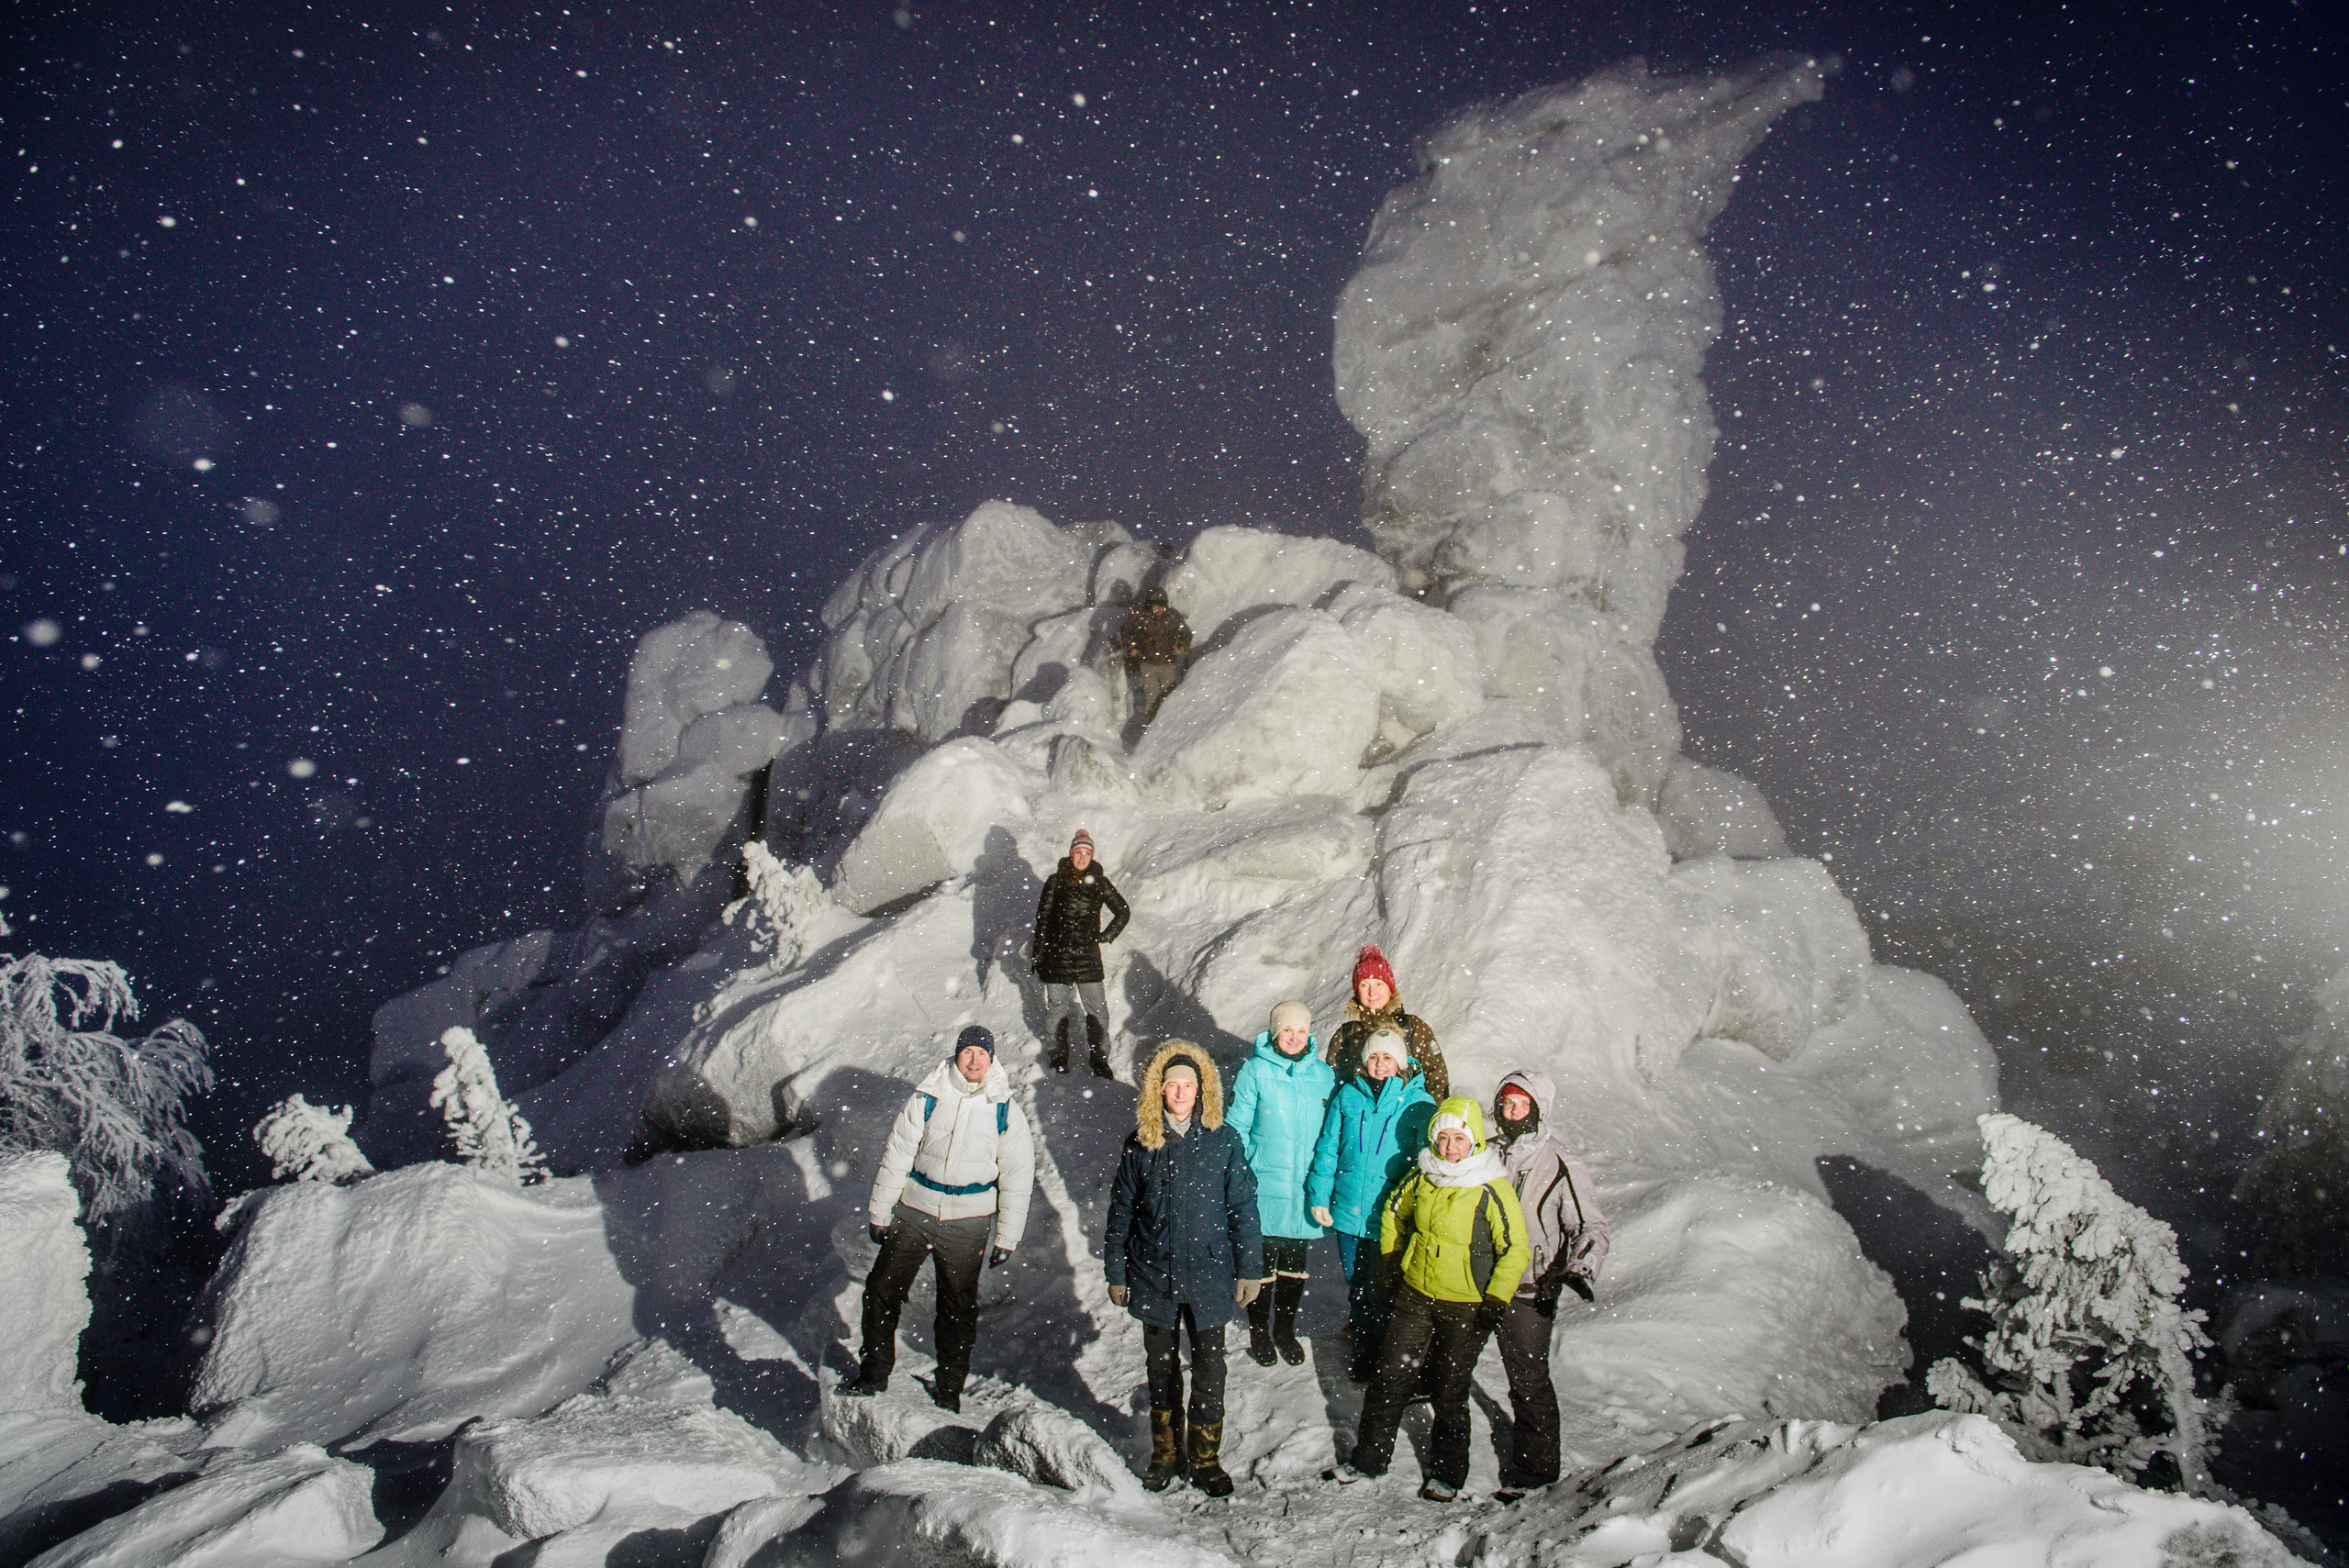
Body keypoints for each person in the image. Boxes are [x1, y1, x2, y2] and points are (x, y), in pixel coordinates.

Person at [1332, 1097, 1530, 1502]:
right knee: (1389, 1377)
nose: (1450, 1146)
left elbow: (1515, 1248)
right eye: (1442, 1136)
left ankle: (1448, 1474)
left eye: (1459, 1137)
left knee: (1448, 1389)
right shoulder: (1423, 1176)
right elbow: (1395, 1213)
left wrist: (1496, 1297)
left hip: (1466, 1304)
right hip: (1417, 1295)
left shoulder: (1491, 1186)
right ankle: (1369, 1460)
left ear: (1473, 1139)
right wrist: (1390, 1258)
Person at [1102, 1041, 1266, 1497]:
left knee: (1211, 1370)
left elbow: (1243, 1208)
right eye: (1172, 1084)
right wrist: (1116, 1271)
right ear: (1160, 1089)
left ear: (1201, 1091)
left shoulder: (1223, 1139)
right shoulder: (1141, 1143)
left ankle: (1205, 1459)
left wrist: (1249, 1267)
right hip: (1153, 1274)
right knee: (1162, 1369)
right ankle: (1165, 1455)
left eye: (1188, 1085)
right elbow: (1121, 1212)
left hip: (1210, 1275)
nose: (1180, 1092)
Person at [844, 1024, 1035, 1414]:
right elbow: (897, 1154)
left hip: (969, 1221)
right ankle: (874, 1373)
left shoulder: (1004, 1108)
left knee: (958, 1307)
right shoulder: (929, 1096)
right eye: (968, 1052)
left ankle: (949, 1388)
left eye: (982, 1054)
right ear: (956, 1054)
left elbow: (1018, 1173)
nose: (974, 1060)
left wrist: (1008, 1236)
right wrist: (880, 1211)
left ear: (992, 1059)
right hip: (915, 1210)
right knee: (881, 1290)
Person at [1486, 1070, 1610, 1499]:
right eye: (1507, 1102)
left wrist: (1580, 1267)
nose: (1512, 1111)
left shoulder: (1560, 1163)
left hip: (1528, 1288)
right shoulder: (1485, 1154)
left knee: (1528, 1380)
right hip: (1478, 1283)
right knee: (1450, 1368)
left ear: (1538, 1110)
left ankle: (1535, 1475)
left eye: (1522, 1104)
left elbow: (1591, 1226)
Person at [1306, 1027, 1436, 1382]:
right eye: (1374, 1057)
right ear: (1365, 1061)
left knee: (1387, 1290)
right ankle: (1364, 1354)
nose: (1380, 1064)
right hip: (1348, 1214)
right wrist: (1319, 1194)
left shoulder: (1418, 1103)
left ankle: (1389, 1358)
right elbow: (1328, 1146)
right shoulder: (1348, 1096)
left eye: (1387, 1057)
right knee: (1358, 1288)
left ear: (1401, 1062)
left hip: (1390, 1216)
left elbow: (1425, 1164)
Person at [1225, 999, 1337, 1366]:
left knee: (1295, 1264)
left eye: (1301, 1030)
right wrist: (1238, 1175)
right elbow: (1237, 1127)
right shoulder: (1254, 1071)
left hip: (1303, 1188)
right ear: (1274, 1033)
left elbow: (1332, 1133)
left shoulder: (1323, 1075)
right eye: (1287, 1030)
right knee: (1261, 1265)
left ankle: (1284, 1330)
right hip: (1263, 1185)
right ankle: (1259, 1331)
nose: (1294, 1037)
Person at [1031, 828, 1129, 1078]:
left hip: (1088, 959)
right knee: (1056, 1009)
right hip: (1057, 957)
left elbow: (1123, 911)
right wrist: (1039, 953)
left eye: (1087, 853)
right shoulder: (1055, 881)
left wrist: (1106, 936)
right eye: (1078, 852)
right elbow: (1042, 919)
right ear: (1071, 854)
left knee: (1098, 1011)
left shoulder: (1099, 881)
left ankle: (1099, 1060)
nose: (1082, 857)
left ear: (1092, 856)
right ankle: (1058, 1056)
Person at [1324, 944, 1449, 1102]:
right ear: (1356, 991)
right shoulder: (1346, 1035)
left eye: (1379, 984)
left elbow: (1437, 1080)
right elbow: (1333, 1086)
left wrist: (1430, 1117)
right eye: (1364, 985)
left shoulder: (1413, 1028)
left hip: (1408, 1121)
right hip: (1362, 1123)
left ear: (1390, 989)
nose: (1372, 992)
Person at [1118, 584, 1192, 723]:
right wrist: (1132, 646)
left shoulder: (1173, 616)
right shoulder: (1141, 616)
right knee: (1152, 696)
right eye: (1155, 606)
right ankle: (1152, 725)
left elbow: (1186, 633)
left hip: (1168, 663)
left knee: (1169, 696)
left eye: (1161, 606)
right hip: (1147, 663)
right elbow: (1126, 631)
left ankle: (1169, 723)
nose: (1158, 610)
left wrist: (1183, 645)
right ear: (1149, 606)